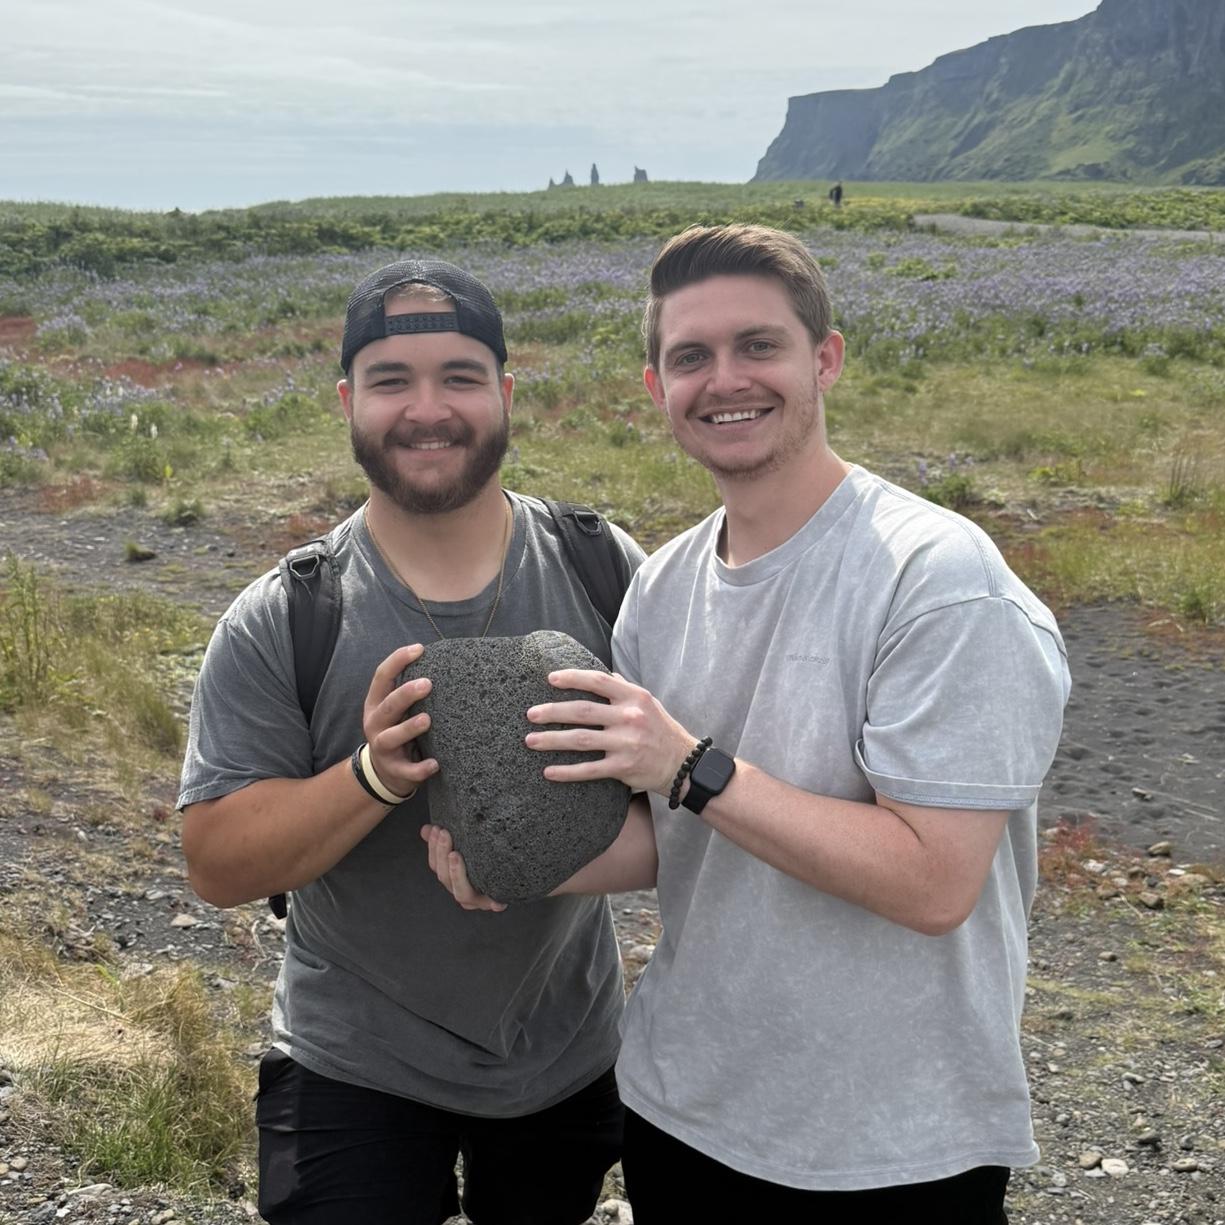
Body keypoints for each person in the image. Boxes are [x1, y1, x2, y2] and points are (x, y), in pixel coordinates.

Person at [425, 224, 1071, 1223]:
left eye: (758, 345)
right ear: (658, 388)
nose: (724, 380)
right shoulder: (661, 589)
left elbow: (934, 880)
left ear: (825, 360)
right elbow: (672, 838)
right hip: (684, 1111)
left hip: (891, 1142)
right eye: (691, 357)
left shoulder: (937, 580)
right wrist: (514, 865)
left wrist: (689, 765)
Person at [178, 257, 645, 1225]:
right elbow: (217, 862)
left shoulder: (608, 572)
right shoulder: (286, 615)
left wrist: (534, 859)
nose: (427, 410)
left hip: (565, 1052)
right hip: (352, 1060)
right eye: (391, 380)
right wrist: (371, 777)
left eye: (459, 377)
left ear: (505, 392)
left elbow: (690, 803)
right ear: (348, 400)